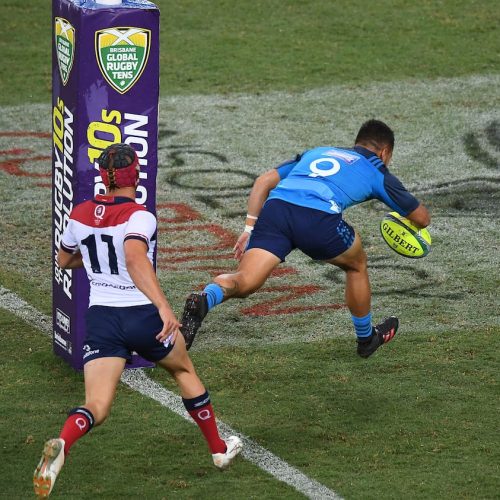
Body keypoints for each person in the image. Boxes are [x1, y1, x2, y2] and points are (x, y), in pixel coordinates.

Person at [33, 143, 242, 498]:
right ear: (137, 176)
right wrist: (162, 306)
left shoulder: (80, 213)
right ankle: (219, 450)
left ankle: (64, 442)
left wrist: (99, 258)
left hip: (100, 319)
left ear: (103, 176)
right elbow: (133, 257)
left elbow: (65, 260)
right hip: (141, 316)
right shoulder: (140, 216)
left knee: (97, 404)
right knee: (184, 371)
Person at [180, 119, 430, 356]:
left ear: (357, 142)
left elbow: (264, 181)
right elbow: (421, 218)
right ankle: (366, 339)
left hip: (276, 210)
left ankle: (205, 297)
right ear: (385, 152)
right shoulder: (378, 170)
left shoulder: (318, 151)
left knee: (246, 281)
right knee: (357, 264)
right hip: (316, 218)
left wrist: (248, 230)